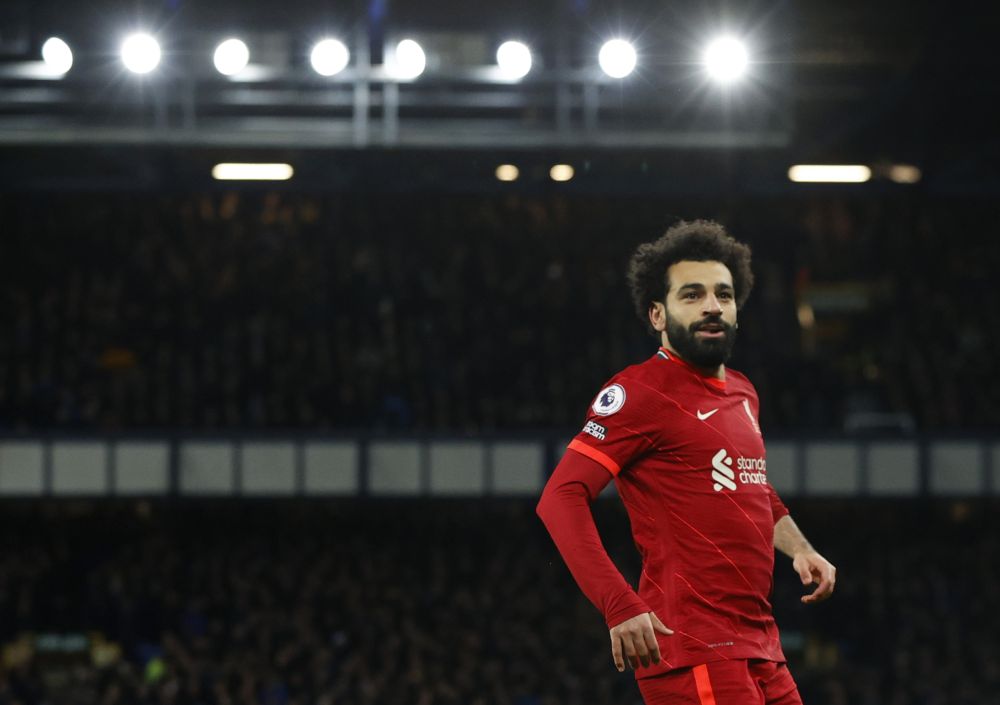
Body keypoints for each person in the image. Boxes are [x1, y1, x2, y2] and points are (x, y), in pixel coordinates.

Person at [536, 220, 836, 704]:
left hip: (761, 645)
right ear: (657, 314)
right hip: (693, 648)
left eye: (724, 294)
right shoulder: (639, 392)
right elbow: (560, 497)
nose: (713, 306)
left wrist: (799, 548)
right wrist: (619, 604)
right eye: (692, 295)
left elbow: (752, 487)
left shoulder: (743, 392)